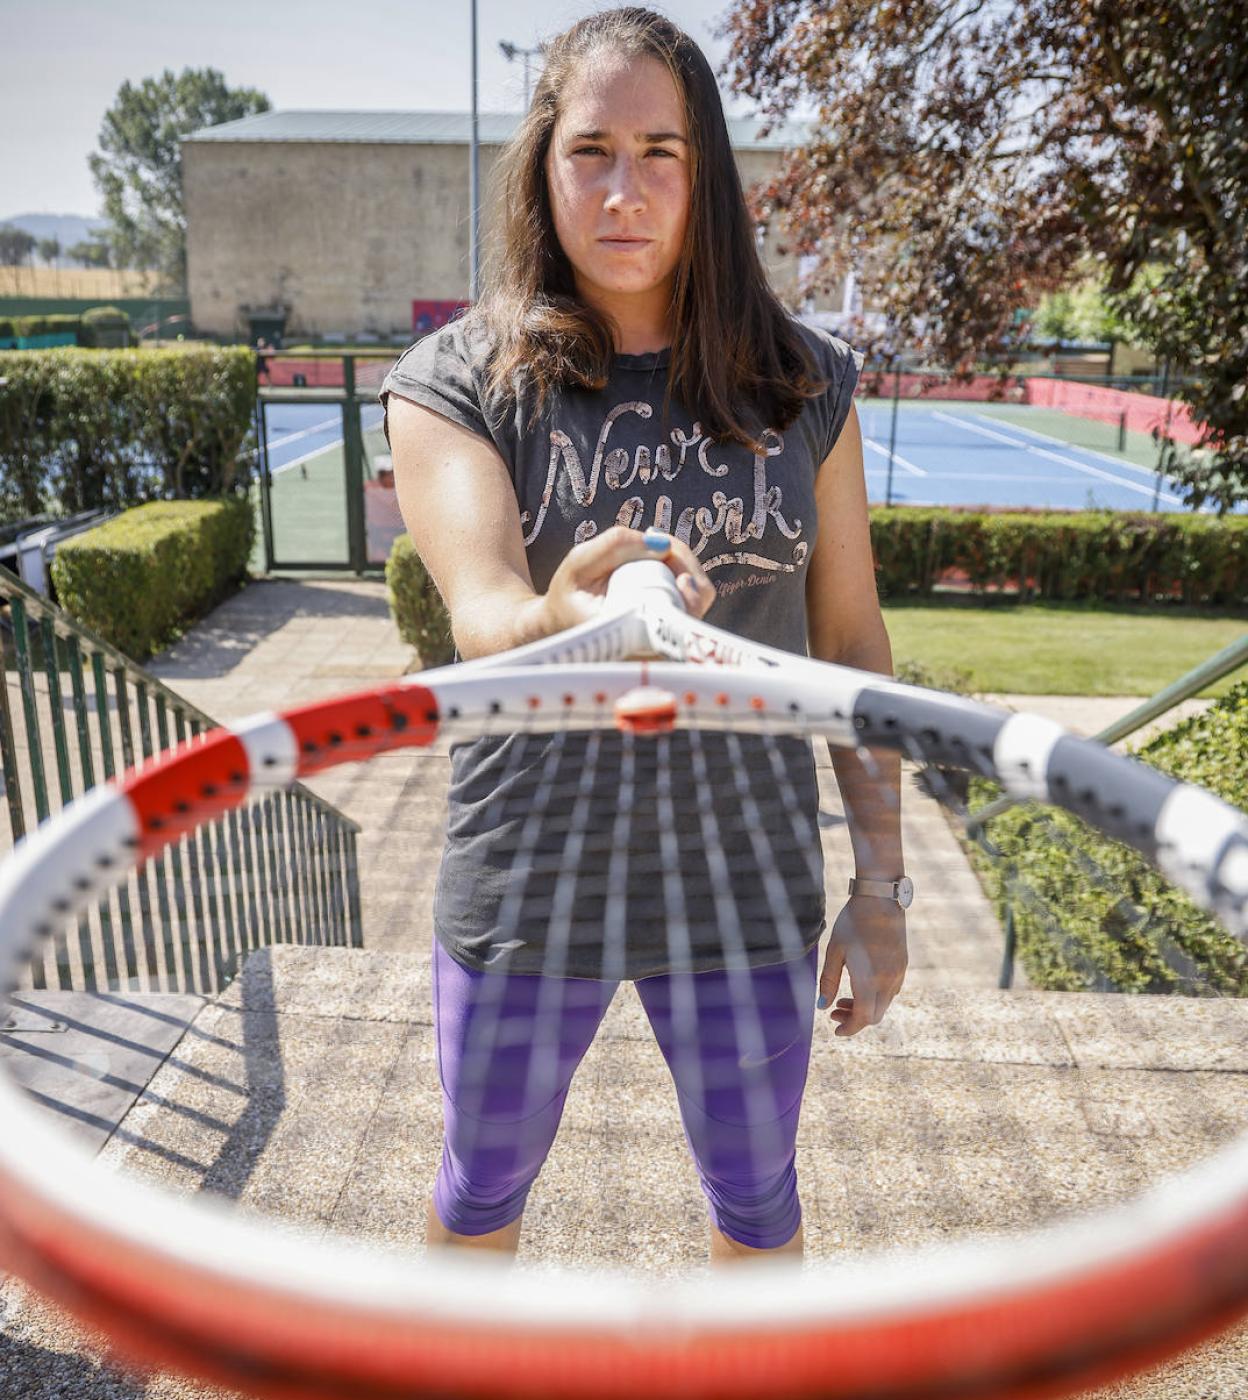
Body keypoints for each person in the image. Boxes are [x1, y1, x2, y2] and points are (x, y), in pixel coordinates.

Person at [380, 7, 908, 1266]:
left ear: (705, 171)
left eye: (661, 152)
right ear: (543, 164)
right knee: (479, 1189)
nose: (625, 191)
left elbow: (850, 639)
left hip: (742, 882)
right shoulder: (457, 379)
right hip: (529, 879)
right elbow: (486, 612)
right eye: (591, 150)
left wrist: (882, 884)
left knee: (758, 1200)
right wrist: (558, 620)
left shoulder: (804, 379)